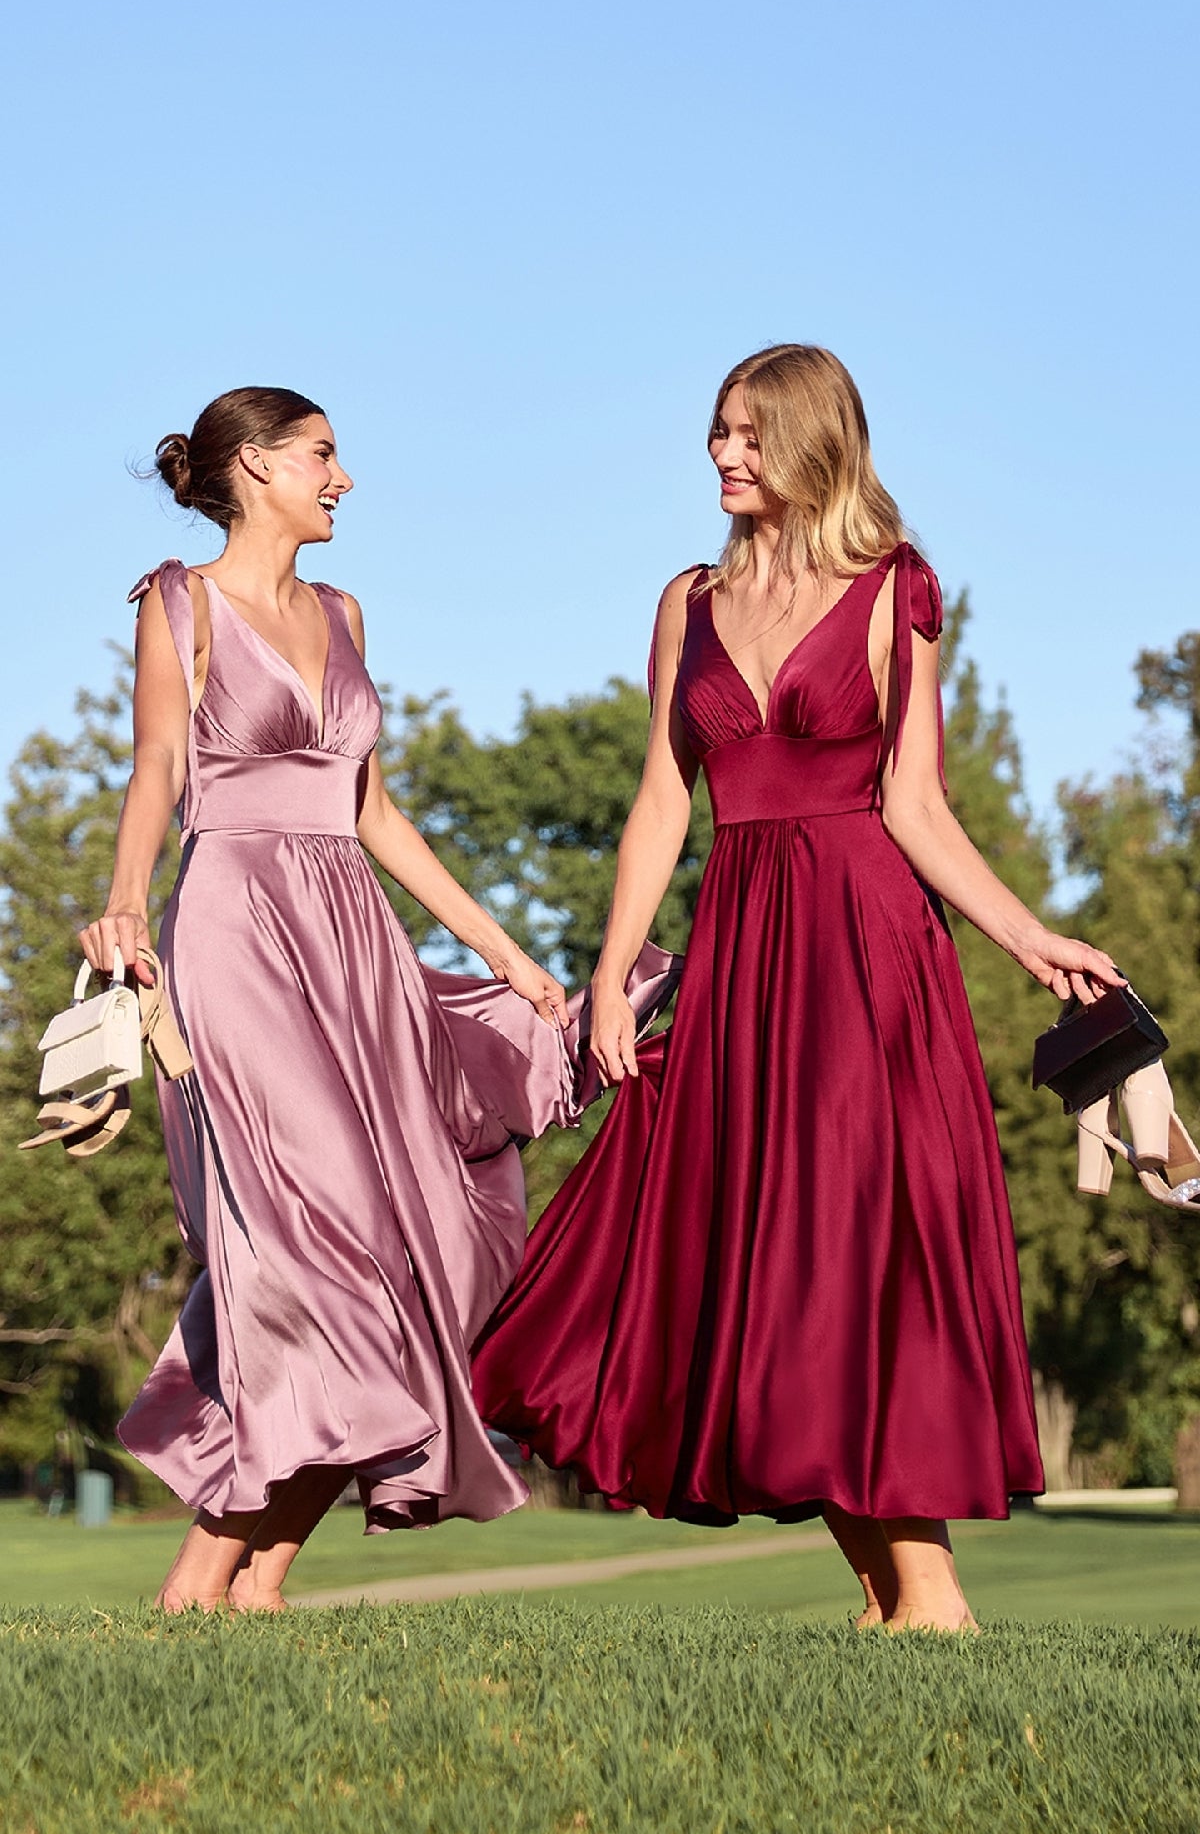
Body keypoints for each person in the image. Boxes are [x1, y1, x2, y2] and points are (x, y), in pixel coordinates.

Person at [473, 344, 1123, 1632]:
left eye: (749, 434)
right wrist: (610, 979)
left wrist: (1033, 937)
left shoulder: (895, 587)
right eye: (717, 431)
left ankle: (927, 1595)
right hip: (739, 950)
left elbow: (915, 804)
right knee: (758, 1260)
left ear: (814, 440)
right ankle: (895, 1601)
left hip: (870, 953)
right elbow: (664, 796)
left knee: (860, 1250)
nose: (723, 453)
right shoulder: (687, 600)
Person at [81, 385, 583, 1611]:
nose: (343, 477)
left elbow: (373, 812)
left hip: (352, 937)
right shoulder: (178, 602)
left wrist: (507, 951)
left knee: (405, 1249)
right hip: (235, 933)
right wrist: (123, 900)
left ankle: (257, 1582)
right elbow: (157, 764)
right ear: (254, 467)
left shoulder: (347, 611)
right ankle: (204, 1576)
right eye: (322, 454)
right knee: (307, 1250)